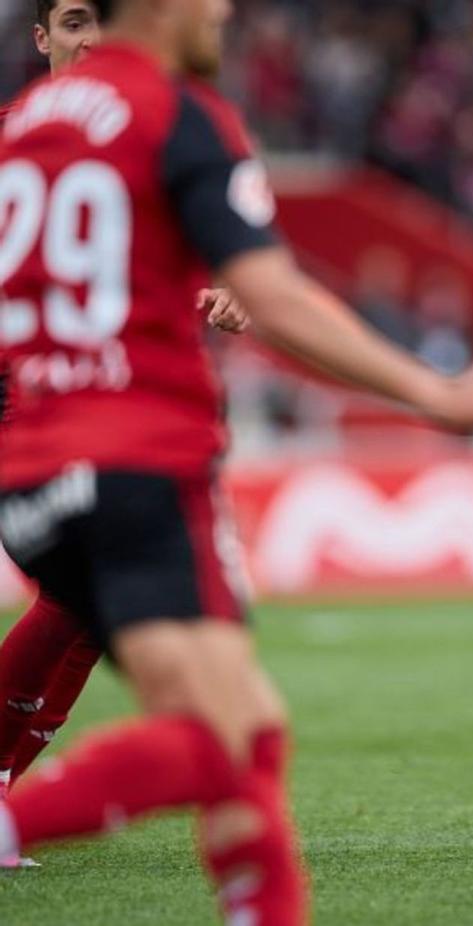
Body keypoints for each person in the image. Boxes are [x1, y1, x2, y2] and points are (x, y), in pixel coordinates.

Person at [0, 0, 473, 921]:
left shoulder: (25, 130)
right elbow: (282, 300)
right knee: (228, 738)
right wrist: (440, 396)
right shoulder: (178, 112)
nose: (223, 10)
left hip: (33, 467)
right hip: (134, 460)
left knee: (241, 741)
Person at [0, 0, 247, 827]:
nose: (91, 40)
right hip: (29, 400)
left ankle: (9, 790)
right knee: (92, 602)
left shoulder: (143, 135)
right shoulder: (18, 137)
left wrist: (211, 291)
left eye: (101, 21)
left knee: (89, 610)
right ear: (41, 38)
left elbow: (157, 268)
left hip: (97, 409)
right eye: (72, 22)